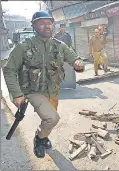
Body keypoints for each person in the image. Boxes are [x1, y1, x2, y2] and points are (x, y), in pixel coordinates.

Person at [2, 11, 85, 158]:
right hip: (33, 91)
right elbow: (9, 69)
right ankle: (39, 139)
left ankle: (43, 135)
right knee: (52, 118)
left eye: (49, 22)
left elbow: (75, 58)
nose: (46, 26)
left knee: (49, 119)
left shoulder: (60, 46)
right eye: (42, 23)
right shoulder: (23, 47)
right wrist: (16, 94)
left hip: (53, 91)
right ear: (34, 26)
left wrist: (78, 63)